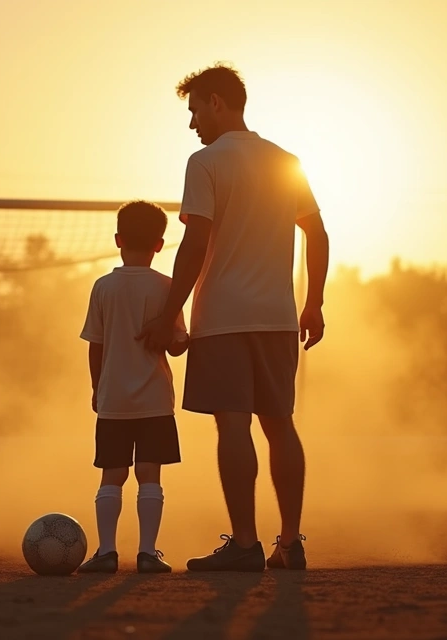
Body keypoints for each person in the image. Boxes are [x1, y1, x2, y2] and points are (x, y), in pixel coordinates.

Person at [139, 63, 330, 571]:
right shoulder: (286, 161)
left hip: (224, 317)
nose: (193, 122)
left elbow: (196, 242)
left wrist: (168, 313)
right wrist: (314, 303)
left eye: (196, 109)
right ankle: (289, 543)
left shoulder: (205, 162)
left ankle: (245, 545)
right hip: (277, 317)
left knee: (234, 427)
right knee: (281, 426)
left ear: (218, 102)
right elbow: (318, 234)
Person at [77, 200, 189, 574]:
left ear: (118, 240)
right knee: (149, 474)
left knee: (112, 474)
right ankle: (147, 552)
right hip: (156, 398)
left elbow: (97, 343)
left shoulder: (103, 287)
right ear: (160, 244)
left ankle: (106, 552)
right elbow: (176, 345)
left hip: (114, 399)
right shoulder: (169, 289)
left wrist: (97, 387)